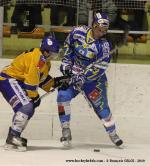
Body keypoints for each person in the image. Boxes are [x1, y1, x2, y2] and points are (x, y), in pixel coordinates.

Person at [57, 12, 123, 147]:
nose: (102, 33)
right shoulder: (77, 32)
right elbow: (68, 47)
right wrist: (66, 64)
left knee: (102, 108)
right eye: (99, 30)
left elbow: (100, 67)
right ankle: (65, 130)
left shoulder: (104, 46)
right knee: (62, 96)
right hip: (74, 75)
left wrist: (85, 78)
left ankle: (113, 133)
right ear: (93, 25)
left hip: (94, 81)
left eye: (104, 31)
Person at [0, 36, 69, 151]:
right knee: (27, 106)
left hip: (17, 81)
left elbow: (40, 80)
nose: (54, 56)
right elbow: (30, 83)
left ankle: (12, 137)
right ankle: (13, 137)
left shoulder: (45, 62)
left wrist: (56, 82)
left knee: (30, 107)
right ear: (46, 51)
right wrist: (34, 96)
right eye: (52, 53)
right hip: (8, 79)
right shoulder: (38, 59)